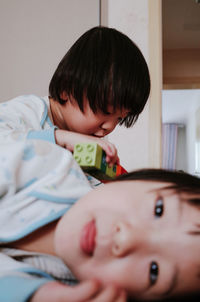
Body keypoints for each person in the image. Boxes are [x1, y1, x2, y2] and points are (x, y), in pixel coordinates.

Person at [0, 140, 199, 302]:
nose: (127, 238)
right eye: (159, 210)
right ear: (138, 178)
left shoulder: (70, 294)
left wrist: (34, 294)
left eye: (154, 271)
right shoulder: (47, 164)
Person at [0, 26, 150, 166]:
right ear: (66, 89)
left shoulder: (83, 148)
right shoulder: (29, 110)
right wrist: (61, 138)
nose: (110, 126)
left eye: (120, 118)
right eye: (106, 111)